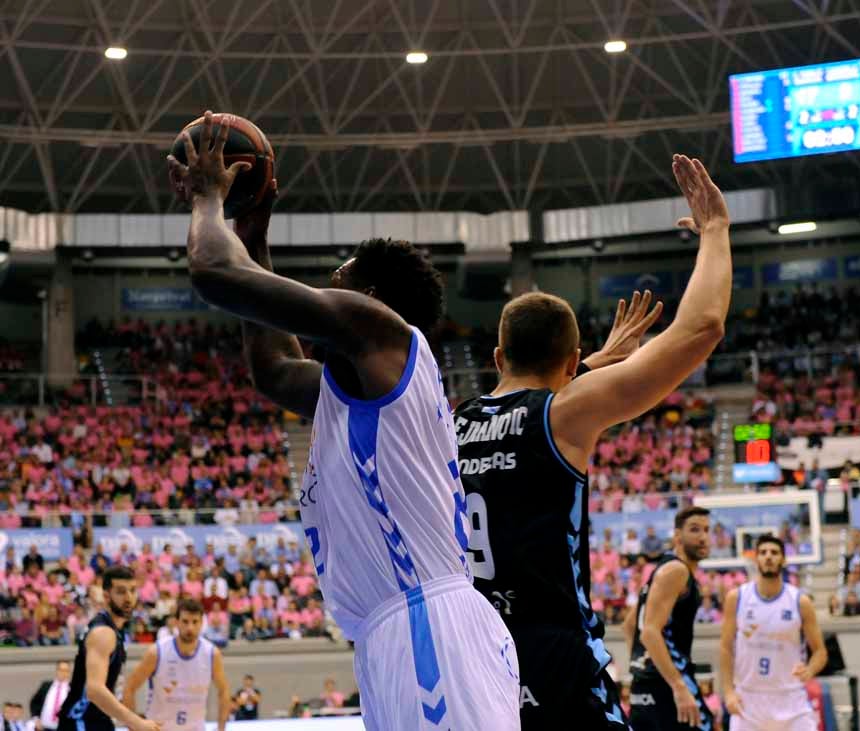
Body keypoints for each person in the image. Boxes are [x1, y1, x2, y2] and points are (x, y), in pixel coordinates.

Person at [168, 111, 519, 728]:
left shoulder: (386, 334)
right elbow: (274, 367)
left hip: (426, 624)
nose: (328, 288)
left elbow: (214, 273)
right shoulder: (363, 388)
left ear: (371, 301)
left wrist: (208, 201)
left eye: (342, 281)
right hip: (394, 631)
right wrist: (253, 230)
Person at [455, 153, 731, 729]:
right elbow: (701, 326)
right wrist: (715, 232)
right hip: (554, 653)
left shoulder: (452, 423)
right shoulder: (564, 415)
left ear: (498, 357)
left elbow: (522, 410)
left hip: (474, 654)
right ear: (573, 362)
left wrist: (598, 364)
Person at [719, 535, 827, 731]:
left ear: (783, 560)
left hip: (791, 699)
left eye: (774, 553)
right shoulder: (737, 598)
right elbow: (726, 647)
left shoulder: (800, 601)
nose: (768, 557)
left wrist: (809, 670)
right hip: (748, 700)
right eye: (763, 552)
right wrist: (728, 692)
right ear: (756, 559)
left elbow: (820, 652)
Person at [623, 507, 714, 731]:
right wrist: (679, 686)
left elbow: (629, 626)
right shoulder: (676, 571)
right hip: (667, 685)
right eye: (694, 530)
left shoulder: (662, 569)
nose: (703, 537)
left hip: (644, 686)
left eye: (706, 530)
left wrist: (642, 666)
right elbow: (649, 631)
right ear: (677, 536)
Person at [57, 566, 159, 731]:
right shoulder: (103, 633)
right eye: (121, 592)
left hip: (97, 720)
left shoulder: (114, 629)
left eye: (132, 591)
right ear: (106, 596)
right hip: (81, 721)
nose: (128, 598)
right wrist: (136, 722)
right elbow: (95, 690)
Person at [123, 599, 230, 731]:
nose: (190, 627)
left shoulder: (212, 654)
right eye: (185, 621)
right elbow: (129, 688)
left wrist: (221, 728)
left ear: (202, 623)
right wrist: (134, 726)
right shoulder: (157, 652)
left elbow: (224, 691)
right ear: (176, 622)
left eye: (195, 622)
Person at [30, 661, 71, 731]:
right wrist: (36, 719)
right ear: (56, 671)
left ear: (69, 673)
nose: (63, 673)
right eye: (60, 670)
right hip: (44, 727)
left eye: (66, 670)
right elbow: (34, 702)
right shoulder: (46, 686)